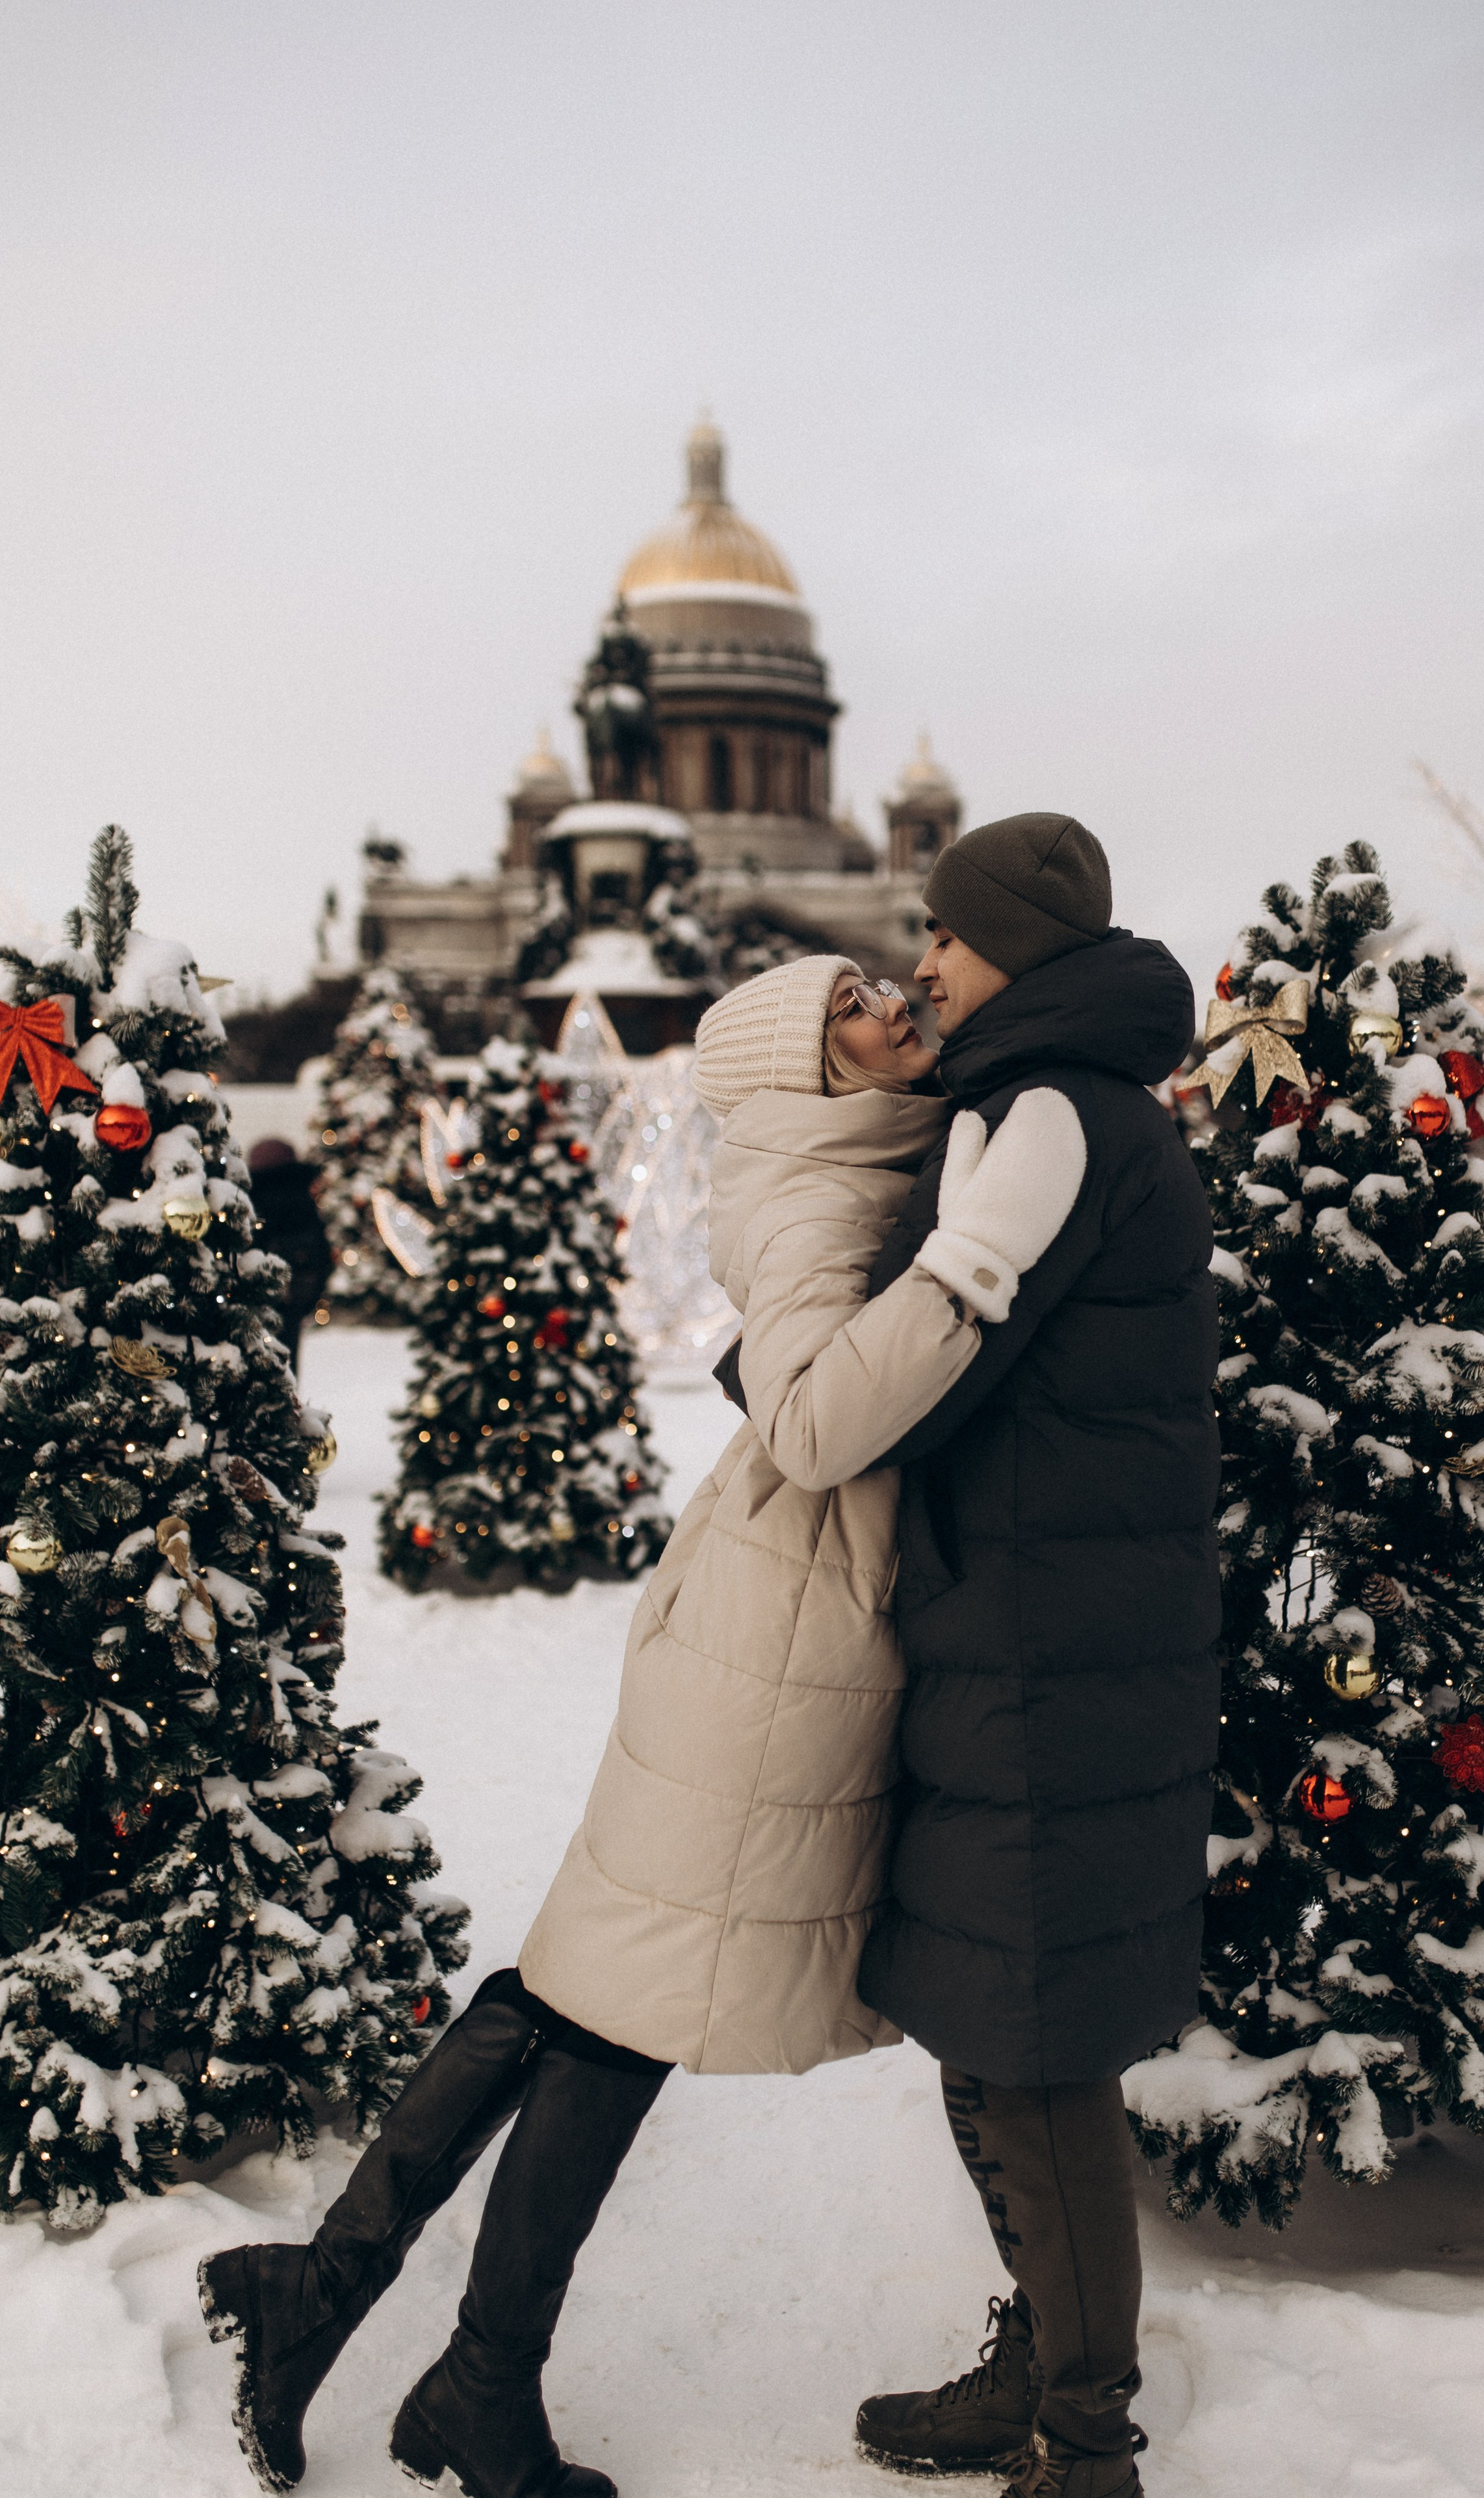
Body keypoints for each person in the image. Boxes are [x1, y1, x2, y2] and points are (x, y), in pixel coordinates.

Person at [198, 954, 1089, 2498]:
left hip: (764, 1625)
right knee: (623, 2001)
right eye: (854, 1007)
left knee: (586, 1982)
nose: (895, 1005)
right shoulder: (815, 1183)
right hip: (774, 1642)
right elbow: (814, 1417)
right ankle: (456, 2375)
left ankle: (340, 2306)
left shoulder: (870, 1148)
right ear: (808, 1068)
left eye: (884, 983)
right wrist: (967, 1269)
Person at [851, 815, 1221, 2498]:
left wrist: (790, 1396)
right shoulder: (1047, 1098)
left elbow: (940, 1339)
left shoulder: (1055, 1111)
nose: (923, 962)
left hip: (1047, 1640)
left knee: (1035, 2047)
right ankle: (1045, 2364)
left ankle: (1086, 2442)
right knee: (993, 2026)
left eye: (946, 933)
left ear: (1020, 945)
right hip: (1026, 1618)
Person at [245, 1138, 331, 1376]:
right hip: (293, 1294)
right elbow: (320, 1251)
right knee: (285, 1365)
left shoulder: (254, 1198)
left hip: (261, 1293)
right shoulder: (303, 1197)